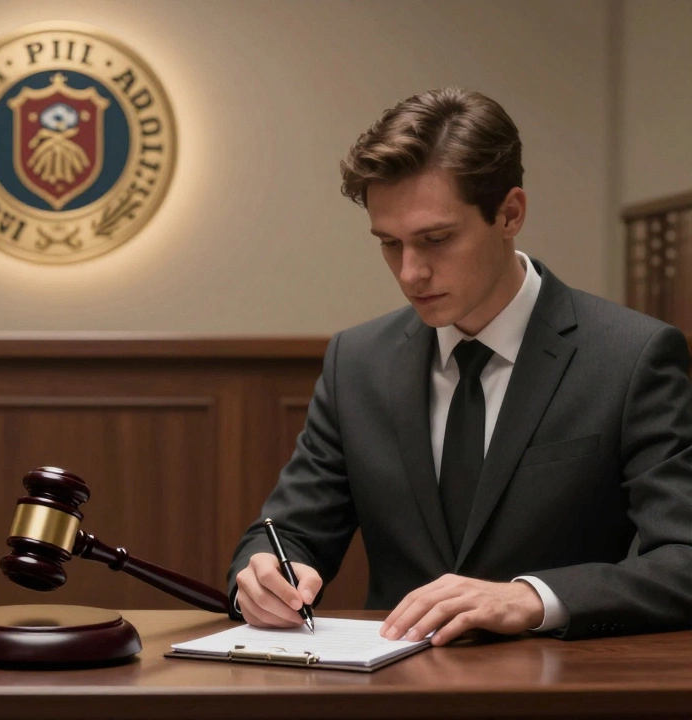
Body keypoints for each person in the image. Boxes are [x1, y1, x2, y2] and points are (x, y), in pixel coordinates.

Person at [228, 88, 692, 644]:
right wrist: (264, 574)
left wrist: (531, 597)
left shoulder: (632, 355)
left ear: (509, 213)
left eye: (437, 239)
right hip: (389, 692)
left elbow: (683, 559)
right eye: (389, 244)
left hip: (562, 690)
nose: (410, 273)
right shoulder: (356, 361)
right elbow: (286, 532)